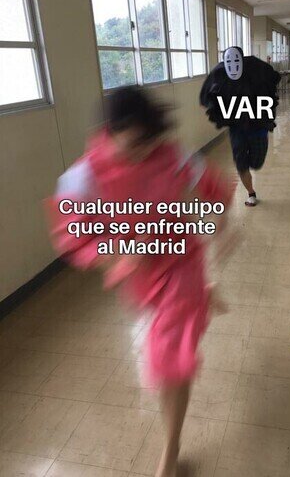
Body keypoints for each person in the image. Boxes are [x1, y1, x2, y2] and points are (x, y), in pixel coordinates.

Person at [46, 87, 234, 477]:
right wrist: (116, 253)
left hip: (181, 260)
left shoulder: (172, 154)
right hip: (140, 276)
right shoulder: (82, 177)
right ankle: (201, 299)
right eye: (132, 145)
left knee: (169, 358)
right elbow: (73, 238)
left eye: (148, 144)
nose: (142, 153)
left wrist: (222, 222)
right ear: (109, 133)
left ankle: (170, 450)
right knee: (171, 349)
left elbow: (215, 189)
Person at [200, 46, 281, 206]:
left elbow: (273, 78)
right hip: (236, 128)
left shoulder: (256, 67)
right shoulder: (219, 73)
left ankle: (250, 164)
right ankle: (251, 193)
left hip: (257, 126)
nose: (233, 65)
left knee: (256, 163)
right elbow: (206, 96)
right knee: (241, 164)